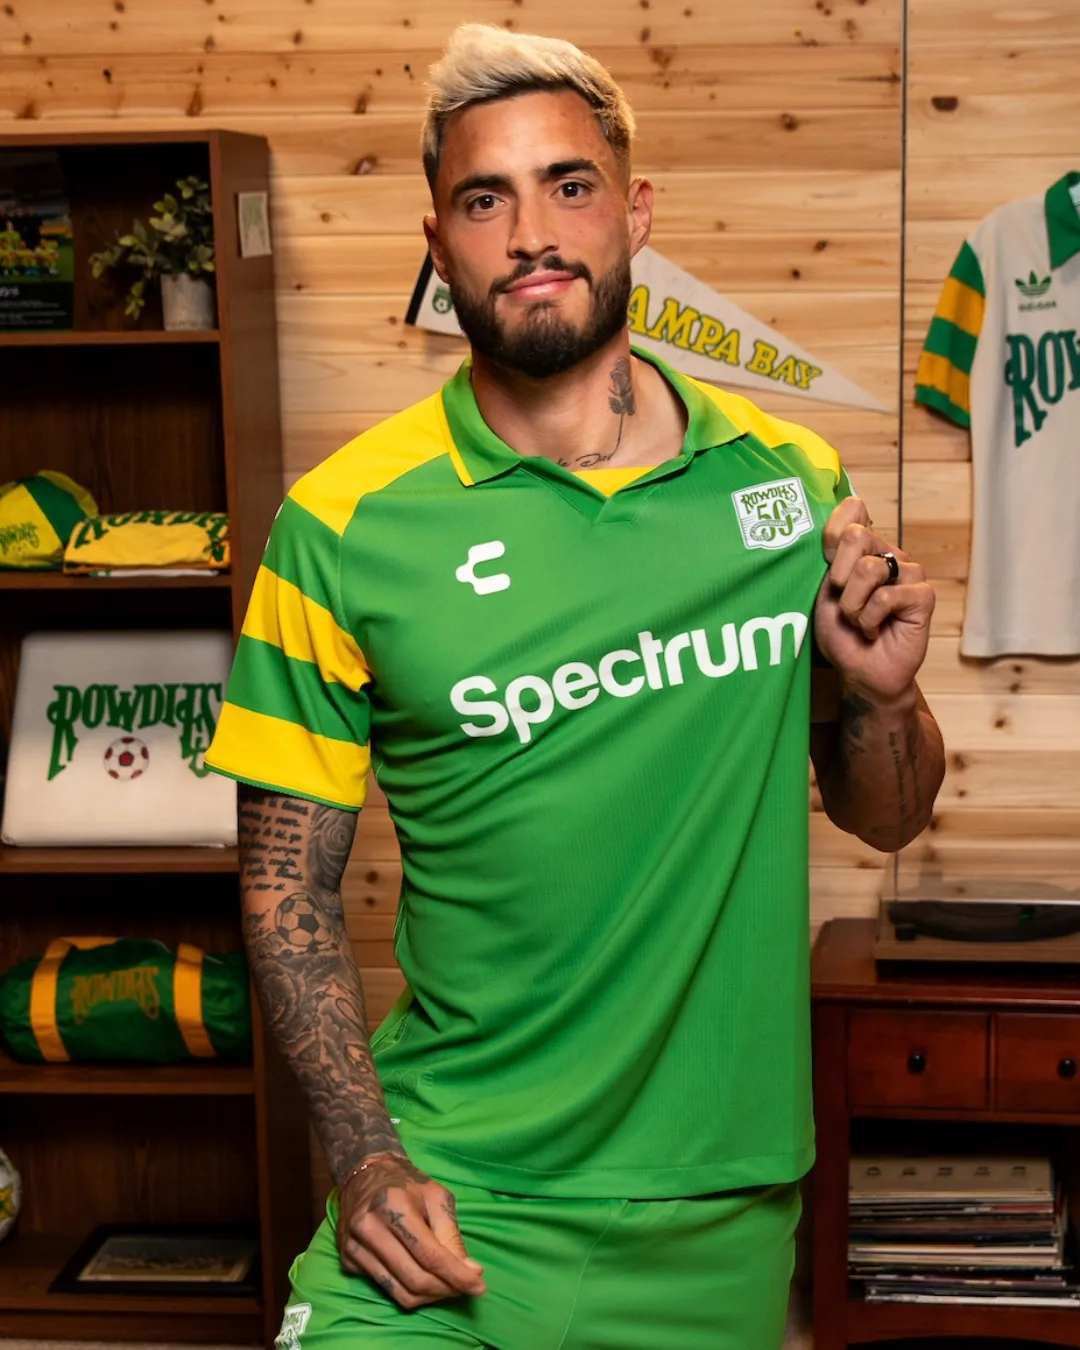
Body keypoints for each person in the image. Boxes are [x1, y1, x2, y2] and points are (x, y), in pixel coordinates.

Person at [205, 23, 945, 1350]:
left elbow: (886, 820)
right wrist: (366, 1158)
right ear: (439, 247)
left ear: (635, 212)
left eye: (570, 184)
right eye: (485, 199)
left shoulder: (789, 487)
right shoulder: (341, 526)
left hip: (713, 1207)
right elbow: (284, 888)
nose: (532, 233)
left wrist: (885, 699)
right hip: (451, 1190)